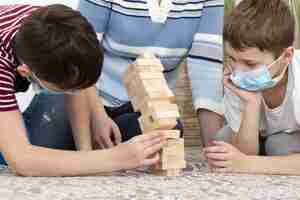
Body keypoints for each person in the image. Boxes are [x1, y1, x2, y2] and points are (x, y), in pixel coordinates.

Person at [0, 4, 166, 176]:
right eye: (69, 89)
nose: (78, 93)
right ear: (25, 71)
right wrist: (116, 158)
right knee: (30, 151)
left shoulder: (52, 26)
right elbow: (22, 161)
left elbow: (77, 81)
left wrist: (97, 118)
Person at [78, 0, 225, 148]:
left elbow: (207, 70)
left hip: (147, 110)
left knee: (165, 135)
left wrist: (214, 149)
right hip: (92, 102)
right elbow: (79, 59)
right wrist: (97, 117)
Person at [205, 0, 300, 175]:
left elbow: (244, 161)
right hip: (262, 134)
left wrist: (249, 164)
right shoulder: (236, 76)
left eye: (250, 63)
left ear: (286, 56)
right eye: (232, 59)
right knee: (222, 141)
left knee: (280, 146)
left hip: (291, 137)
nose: (238, 71)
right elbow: (243, 153)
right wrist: (252, 104)